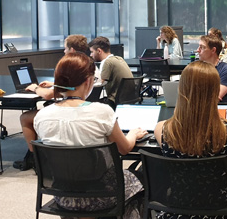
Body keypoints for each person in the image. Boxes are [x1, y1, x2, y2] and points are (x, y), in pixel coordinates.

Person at [33, 52, 147, 218]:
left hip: (63, 197)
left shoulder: (41, 116)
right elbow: (124, 148)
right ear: (88, 81)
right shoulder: (102, 112)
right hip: (103, 195)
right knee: (144, 178)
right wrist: (133, 134)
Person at [153, 61, 227, 218]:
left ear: (181, 88)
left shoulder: (162, 129)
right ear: (215, 92)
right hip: (224, 208)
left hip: (180, 207)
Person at [12, 34, 91, 171]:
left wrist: (35, 88)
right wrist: (55, 84)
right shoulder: (88, 64)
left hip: (70, 110)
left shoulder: (69, 66)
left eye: (65, 48)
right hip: (83, 108)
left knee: (25, 117)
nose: (63, 51)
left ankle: (34, 157)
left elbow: (48, 95)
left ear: (71, 50)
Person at [90, 36, 133, 109]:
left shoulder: (107, 62)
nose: (91, 55)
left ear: (99, 51)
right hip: (128, 98)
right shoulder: (119, 58)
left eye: (92, 52)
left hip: (114, 101)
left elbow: (100, 84)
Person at [196, 35, 227, 102]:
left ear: (213, 50)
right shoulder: (197, 68)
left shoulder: (226, 70)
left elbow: (215, 98)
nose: (198, 50)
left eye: (202, 47)